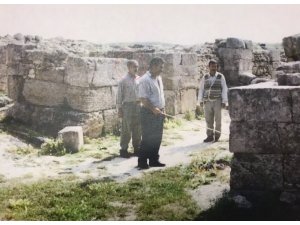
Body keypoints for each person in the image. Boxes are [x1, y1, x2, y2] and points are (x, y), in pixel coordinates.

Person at [137, 57, 166, 169]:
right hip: (148, 113)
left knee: (157, 137)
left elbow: (161, 96)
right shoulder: (144, 80)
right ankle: (142, 162)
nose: (162, 69)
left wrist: (163, 109)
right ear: (153, 66)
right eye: (160, 67)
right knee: (148, 138)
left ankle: (154, 160)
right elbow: (143, 99)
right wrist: (154, 109)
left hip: (159, 112)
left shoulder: (158, 78)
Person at [196, 59, 228, 143]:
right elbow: (201, 89)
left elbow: (224, 89)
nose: (214, 68)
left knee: (218, 120)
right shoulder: (205, 77)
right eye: (212, 66)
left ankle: (217, 136)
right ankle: (209, 136)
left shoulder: (221, 76)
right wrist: (200, 100)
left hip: (217, 100)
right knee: (208, 120)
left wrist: (224, 101)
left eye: (215, 66)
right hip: (207, 101)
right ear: (209, 67)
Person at [116, 60, 141, 158]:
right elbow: (119, 96)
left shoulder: (139, 79)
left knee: (138, 128)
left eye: (137, 66)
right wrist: (119, 109)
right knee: (126, 129)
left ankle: (137, 148)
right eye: (134, 66)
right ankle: (124, 150)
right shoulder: (123, 80)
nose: (136, 68)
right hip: (128, 106)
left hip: (138, 106)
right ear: (129, 67)